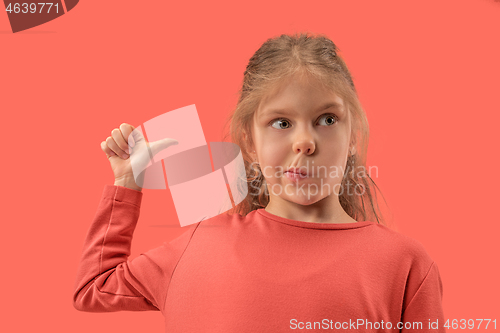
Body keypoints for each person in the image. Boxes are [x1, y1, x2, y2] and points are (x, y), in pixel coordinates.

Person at [73, 32, 446, 332]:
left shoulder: (405, 265)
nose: (305, 142)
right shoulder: (199, 245)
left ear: (352, 137)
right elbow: (94, 288)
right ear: (249, 143)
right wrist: (126, 184)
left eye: (327, 119)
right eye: (281, 123)